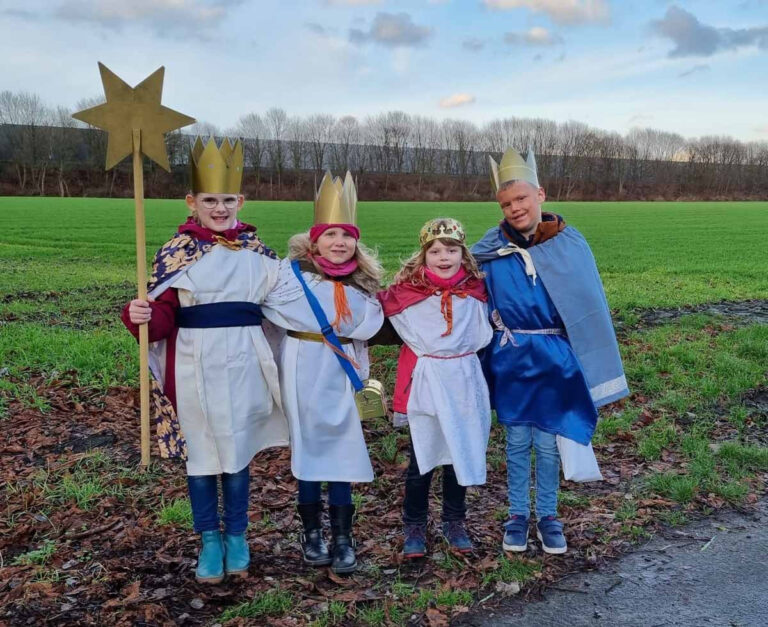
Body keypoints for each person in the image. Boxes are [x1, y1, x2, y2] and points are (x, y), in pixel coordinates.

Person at [121, 137, 288, 583]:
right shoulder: (177, 253)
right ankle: (209, 540)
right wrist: (138, 314)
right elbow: (161, 320)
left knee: (236, 452)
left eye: (227, 199)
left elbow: (288, 307)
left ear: (241, 201)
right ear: (192, 202)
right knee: (202, 455)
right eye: (210, 200)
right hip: (193, 364)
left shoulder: (260, 255)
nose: (219, 208)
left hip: (246, 363)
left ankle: (236, 535)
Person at [471, 148, 629, 554]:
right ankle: (517, 515)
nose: (515, 208)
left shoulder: (570, 245)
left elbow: (587, 304)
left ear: (540, 194)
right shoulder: (489, 251)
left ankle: (549, 516)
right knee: (517, 439)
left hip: (556, 356)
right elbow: (461, 292)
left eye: (521, 199)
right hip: (512, 358)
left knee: (548, 441)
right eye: (506, 204)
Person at [262, 171, 384, 575]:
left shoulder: (362, 285)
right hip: (301, 367)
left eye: (346, 236)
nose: (339, 243)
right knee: (310, 448)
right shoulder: (289, 277)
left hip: (341, 371)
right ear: (314, 241)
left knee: (342, 449)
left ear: (356, 242)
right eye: (330, 235)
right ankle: (312, 535)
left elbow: (365, 324)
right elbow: (270, 310)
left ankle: (344, 538)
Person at [378, 218, 492, 558]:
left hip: (465, 379)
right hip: (426, 381)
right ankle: (414, 526)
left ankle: (454, 522)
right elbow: (370, 311)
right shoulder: (407, 293)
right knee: (422, 458)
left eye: (452, 250)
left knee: (460, 453)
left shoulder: (478, 291)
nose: (444, 257)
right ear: (424, 255)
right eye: (436, 251)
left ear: (463, 254)